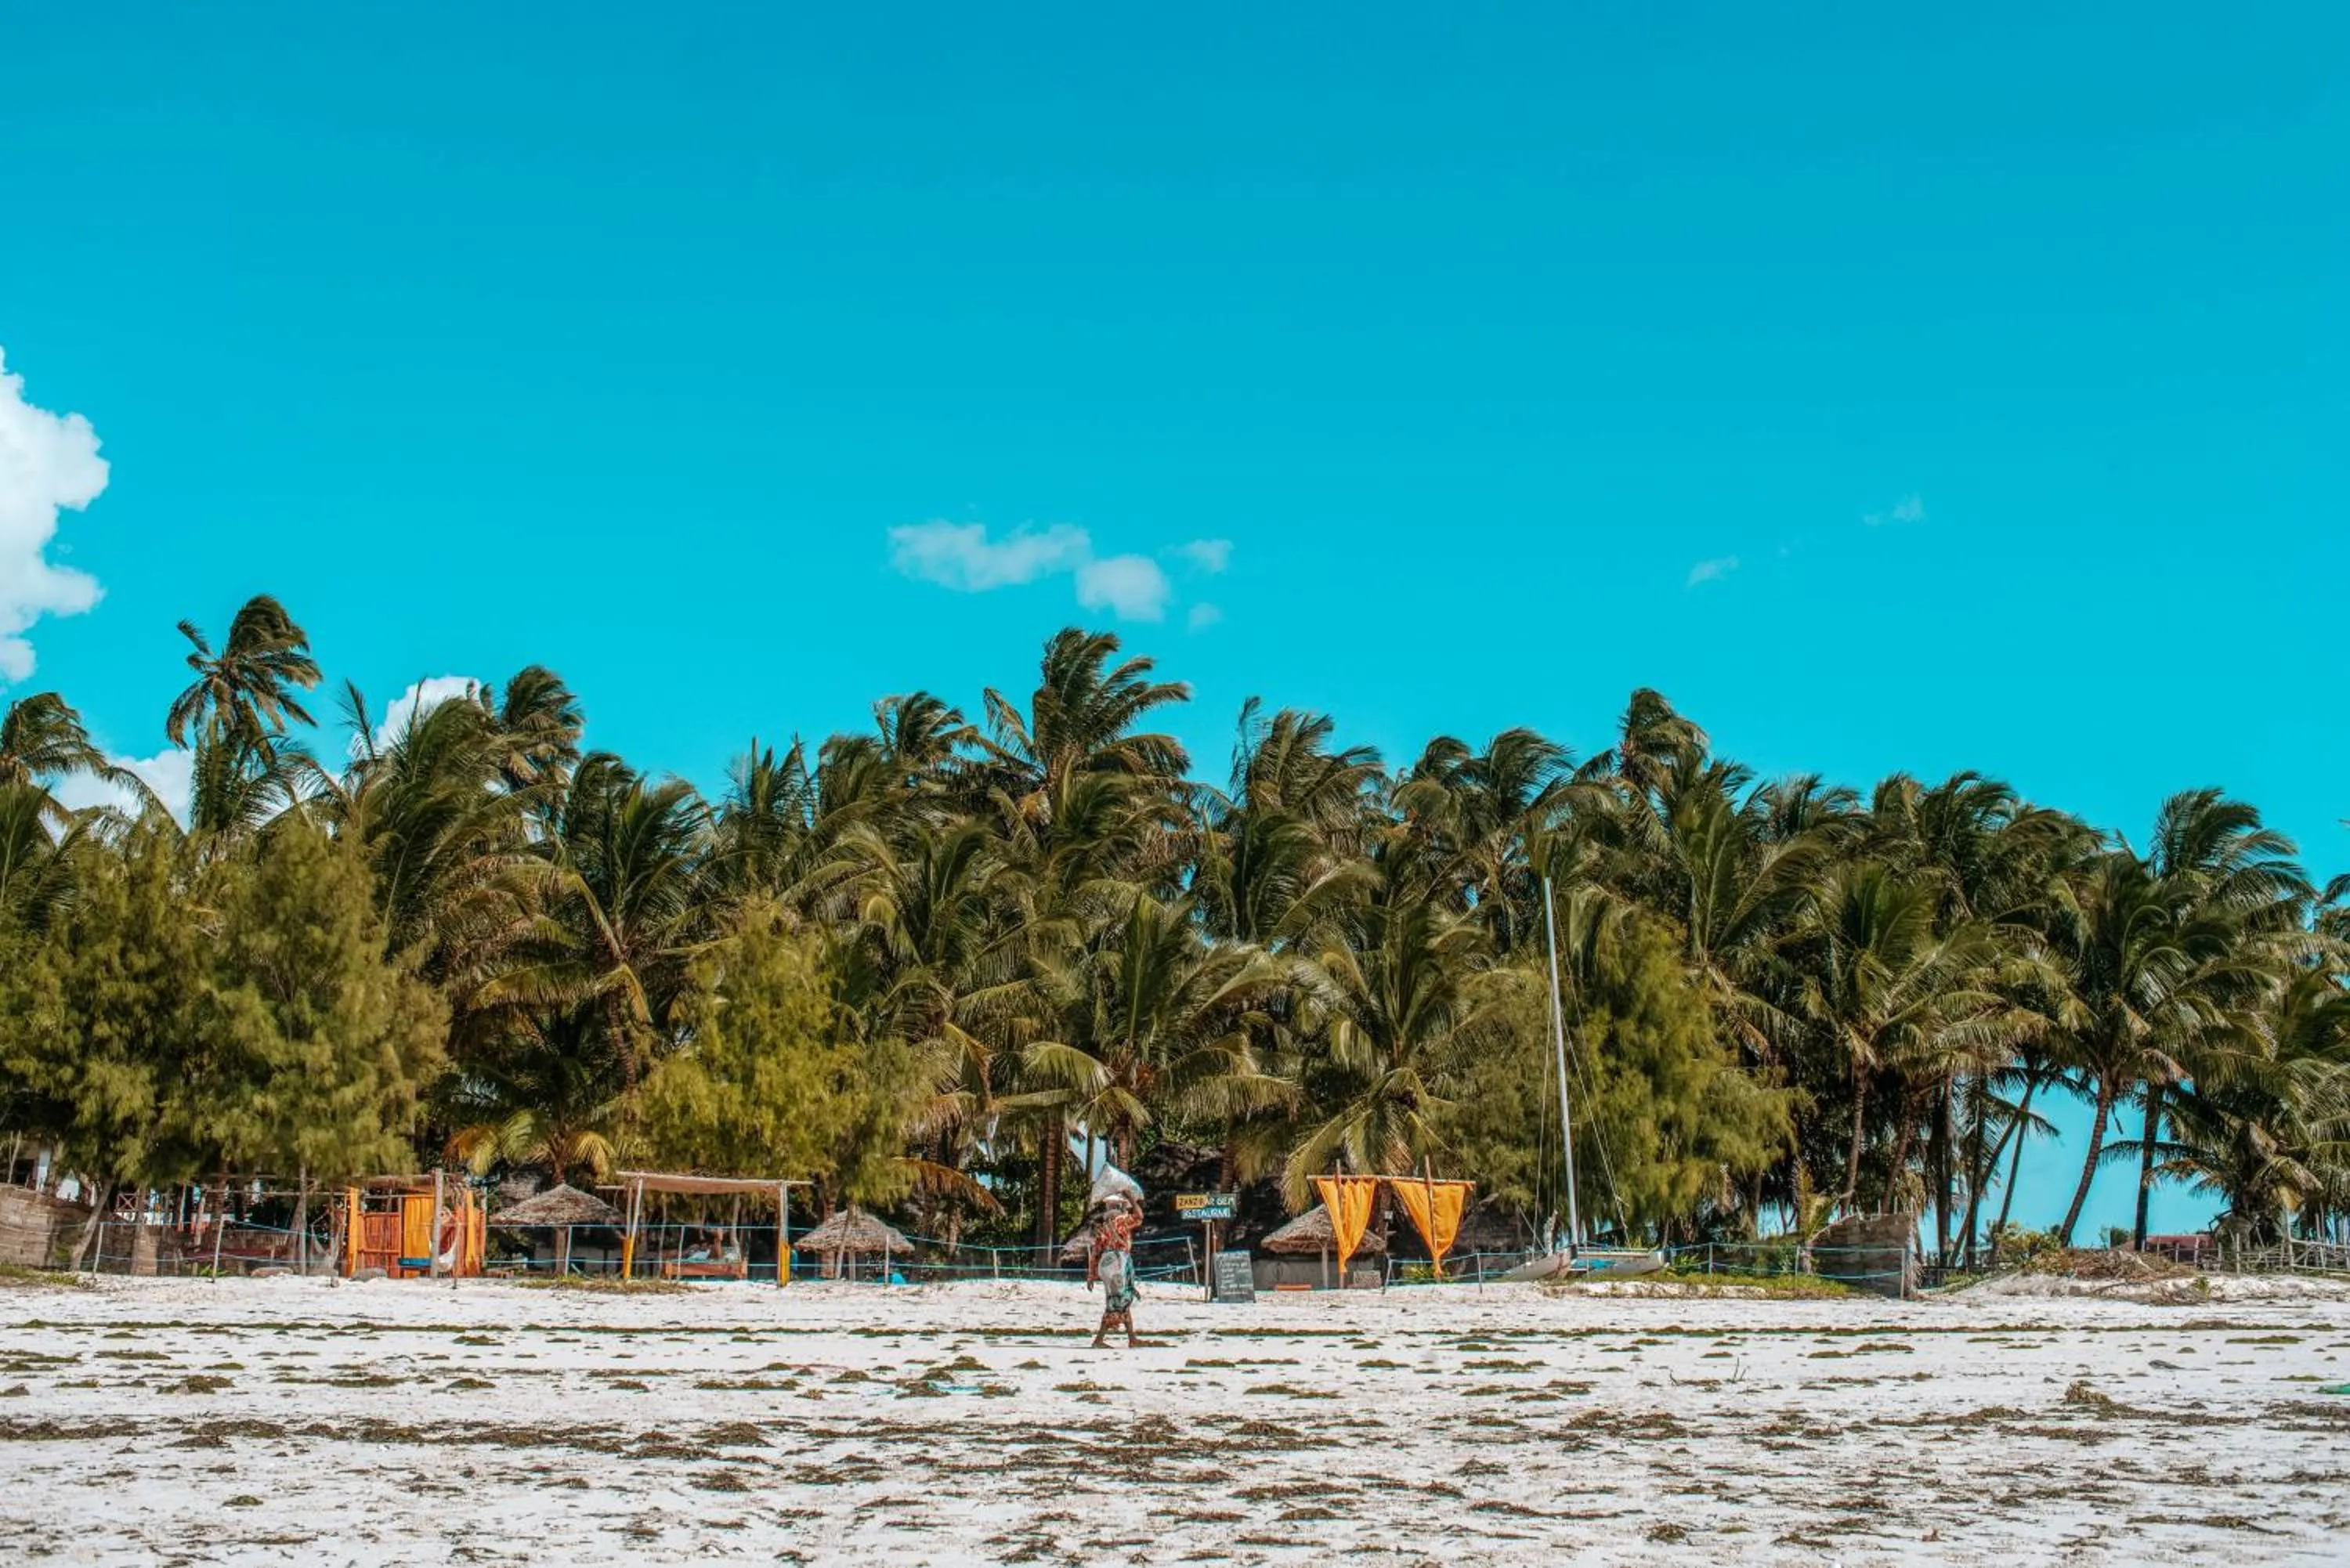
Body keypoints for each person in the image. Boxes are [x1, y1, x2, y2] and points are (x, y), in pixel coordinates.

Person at [1086, 1196, 1146, 1349]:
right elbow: (1139, 1216)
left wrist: (1091, 1276)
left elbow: (1095, 1254)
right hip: (1119, 1264)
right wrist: (1132, 1199)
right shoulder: (1121, 1222)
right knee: (1118, 1302)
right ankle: (1099, 1340)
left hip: (1109, 1267)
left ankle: (1132, 1338)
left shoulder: (1103, 1228)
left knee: (1120, 1299)